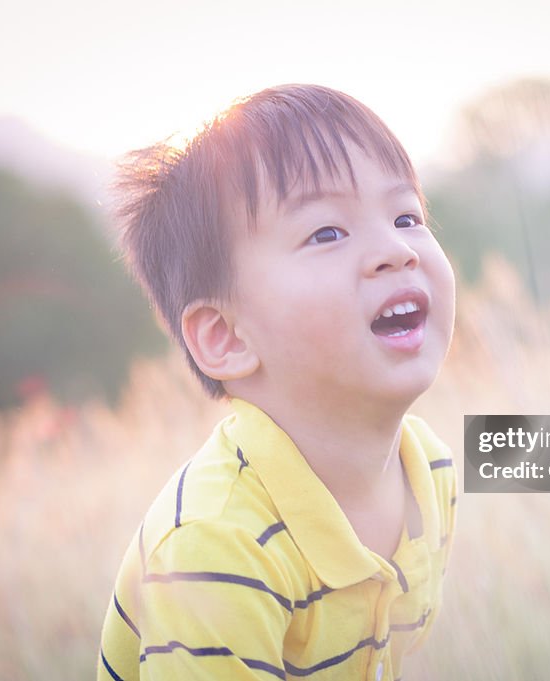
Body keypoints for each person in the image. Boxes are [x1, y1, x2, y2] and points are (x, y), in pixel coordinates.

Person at [98, 84, 457, 681]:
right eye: (326, 234)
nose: (395, 250)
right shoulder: (215, 544)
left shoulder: (431, 472)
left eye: (407, 216)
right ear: (226, 337)